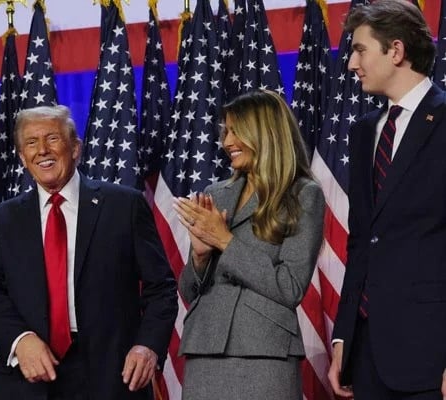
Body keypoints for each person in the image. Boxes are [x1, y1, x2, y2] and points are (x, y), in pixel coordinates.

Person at [0, 105, 178, 399]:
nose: (42, 150)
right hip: (30, 376)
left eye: (53, 138)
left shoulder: (123, 206)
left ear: (75, 148)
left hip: (111, 375)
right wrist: (20, 340)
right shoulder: (2, 220)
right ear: (22, 157)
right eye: (31, 143)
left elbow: (162, 288)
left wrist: (148, 346)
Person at [173, 89, 325, 399]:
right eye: (225, 131)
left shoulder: (302, 195)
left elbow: (290, 286)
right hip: (205, 351)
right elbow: (190, 292)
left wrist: (225, 241)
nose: (226, 142)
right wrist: (200, 260)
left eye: (235, 131)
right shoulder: (217, 193)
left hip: (264, 354)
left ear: (265, 133)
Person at [328, 1, 446, 399]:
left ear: (395, 51)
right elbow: (362, 241)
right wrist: (344, 336)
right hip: (367, 355)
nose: (351, 64)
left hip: (430, 355)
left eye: (360, 50)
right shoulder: (365, 133)